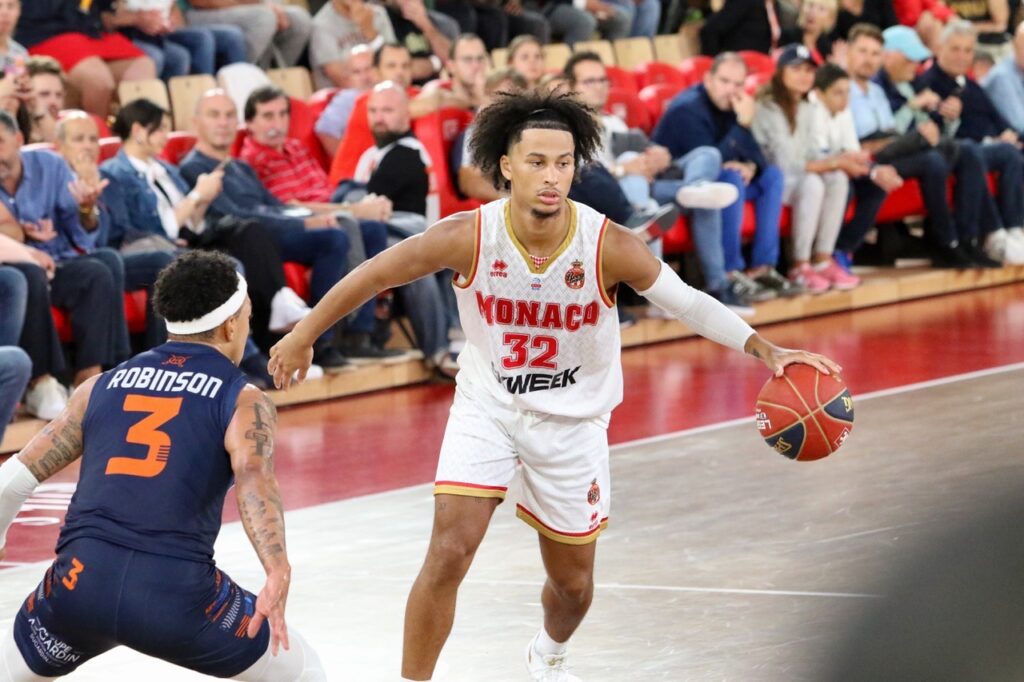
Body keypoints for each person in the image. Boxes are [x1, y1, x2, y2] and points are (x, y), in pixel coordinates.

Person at [267, 89, 842, 681]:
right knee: (448, 552)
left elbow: (689, 302)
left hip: (573, 424)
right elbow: (374, 273)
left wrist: (764, 348)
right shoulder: (468, 234)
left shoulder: (608, 245)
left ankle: (547, 654)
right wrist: (304, 334)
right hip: (488, 406)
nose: (551, 176)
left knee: (573, 588)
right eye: (537, 162)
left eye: (563, 163)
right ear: (507, 166)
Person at [0, 250, 327, 681]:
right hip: (176, 599)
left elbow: (12, 481)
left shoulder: (98, 386)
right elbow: (253, 477)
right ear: (232, 324)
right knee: (303, 669)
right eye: (247, 315)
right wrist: (276, 568)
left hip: (78, 589)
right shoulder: (245, 400)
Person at [182, 89, 377, 366]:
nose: (223, 123)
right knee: (263, 231)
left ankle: (324, 340)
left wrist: (310, 215)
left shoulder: (238, 166)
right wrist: (304, 221)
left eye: (228, 116)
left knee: (334, 237)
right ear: (196, 123)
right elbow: (234, 215)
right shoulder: (193, 168)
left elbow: (273, 204)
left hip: (270, 233)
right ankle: (309, 340)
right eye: (214, 115)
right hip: (233, 240)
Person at [841, 22, 1003, 269]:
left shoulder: (876, 90)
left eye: (875, 53)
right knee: (933, 159)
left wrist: (940, 123)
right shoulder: (843, 88)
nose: (870, 60)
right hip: (866, 157)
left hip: (894, 148)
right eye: (863, 52)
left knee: (965, 150)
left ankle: (967, 238)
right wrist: (915, 124)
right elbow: (865, 143)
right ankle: (945, 242)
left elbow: (892, 132)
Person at [653, 52, 798, 304]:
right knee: (730, 178)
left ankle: (762, 268)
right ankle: (730, 272)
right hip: (680, 188)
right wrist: (742, 127)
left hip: (723, 183)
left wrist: (750, 165)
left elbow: (758, 157)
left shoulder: (735, 104)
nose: (732, 90)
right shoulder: (686, 110)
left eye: (738, 84)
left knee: (772, 176)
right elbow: (707, 165)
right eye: (725, 81)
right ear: (708, 79)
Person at [909, 20, 1024, 263]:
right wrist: (943, 116)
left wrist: (1006, 132)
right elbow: (925, 128)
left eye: (968, 50)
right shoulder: (927, 82)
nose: (962, 56)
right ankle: (991, 235)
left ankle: (1015, 228)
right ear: (940, 48)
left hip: (986, 145)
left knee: (1011, 151)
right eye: (955, 49)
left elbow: (998, 118)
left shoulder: (971, 85)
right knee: (978, 154)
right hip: (957, 149)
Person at [753, 48, 862, 292]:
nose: (803, 75)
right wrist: (834, 162)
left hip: (797, 176)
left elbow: (812, 153)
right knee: (814, 182)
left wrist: (838, 161)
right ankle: (799, 265)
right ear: (781, 72)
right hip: (770, 180)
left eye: (808, 70)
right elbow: (785, 161)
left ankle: (823, 259)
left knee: (837, 179)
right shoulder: (768, 107)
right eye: (796, 69)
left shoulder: (807, 107)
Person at [14, 0, 157, 117]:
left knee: (143, 67)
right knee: (99, 81)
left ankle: (138, 138)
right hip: (46, 33)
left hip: (89, 29)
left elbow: (103, 11)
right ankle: (97, 138)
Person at [184, 0, 312, 68]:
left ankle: (277, 76)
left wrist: (267, 5)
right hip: (193, 15)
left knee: (300, 18)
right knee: (264, 18)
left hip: (238, 10)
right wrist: (261, 8)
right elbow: (201, 1)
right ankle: (244, 76)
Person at [309, 0, 397, 89]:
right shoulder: (321, 25)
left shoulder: (378, 14)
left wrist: (370, 31)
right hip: (345, 96)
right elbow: (341, 80)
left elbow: (395, 63)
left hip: (387, 90)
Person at [700, 0, 784, 55]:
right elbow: (710, 29)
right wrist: (717, 62)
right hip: (743, 64)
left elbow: (774, 33)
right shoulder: (744, 2)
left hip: (768, 59)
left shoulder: (771, 4)